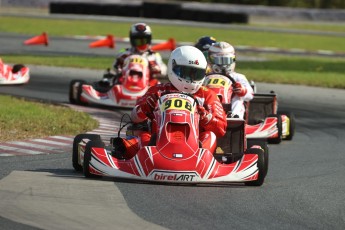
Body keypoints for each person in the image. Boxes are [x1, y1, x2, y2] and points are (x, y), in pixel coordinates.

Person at [112, 45, 227, 160]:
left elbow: (221, 129)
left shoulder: (207, 95)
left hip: (194, 146)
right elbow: (134, 117)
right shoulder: (157, 91)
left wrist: (206, 117)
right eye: (186, 72)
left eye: (196, 74)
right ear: (173, 68)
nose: (191, 78)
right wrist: (145, 108)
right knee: (143, 135)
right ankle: (146, 157)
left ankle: (200, 159)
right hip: (157, 142)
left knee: (210, 136)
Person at [101, 22, 167, 87]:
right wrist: (120, 65)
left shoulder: (154, 55)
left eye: (144, 40)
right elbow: (114, 68)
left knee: (158, 83)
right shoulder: (124, 53)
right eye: (138, 41)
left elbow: (164, 69)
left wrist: (156, 68)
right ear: (132, 40)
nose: (141, 43)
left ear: (149, 40)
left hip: (147, 86)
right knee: (111, 79)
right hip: (125, 83)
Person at [207, 41, 254, 119]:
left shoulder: (238, 77)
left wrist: (242, 91)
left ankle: (235, 117)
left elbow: (250, 95)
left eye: (226, 60)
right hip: (209, 106)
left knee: (238, 97)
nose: (223, 64)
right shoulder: (206, 77)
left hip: (230, 107)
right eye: (218, 60)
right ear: (210, 60)